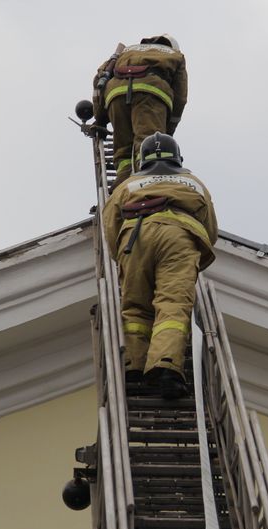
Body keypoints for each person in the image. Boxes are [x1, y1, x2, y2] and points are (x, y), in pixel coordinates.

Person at [103, 133, 217, 399]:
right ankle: (164, 366)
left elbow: (110, 225)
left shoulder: (129, 184)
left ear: (142, 160)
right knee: (172, 304)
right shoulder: (193, 182)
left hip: (134, 237)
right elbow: (210, 229)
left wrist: (121, 256)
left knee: (135, 306)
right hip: (178, 237)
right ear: (177, 158)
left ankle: (133, 364)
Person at [92, 34, 188, 186]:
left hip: (116, 94)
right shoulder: (176, 55)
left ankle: (122, 186)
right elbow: (180, 97)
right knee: (147, 144)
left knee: (123, 151)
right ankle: (145, 185)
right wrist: (166, 133)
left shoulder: (125, 52)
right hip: (150, 94)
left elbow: (100, 79)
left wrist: (100, 118)